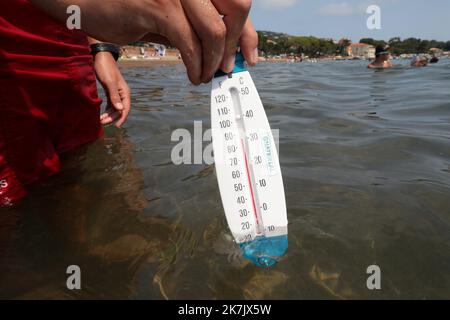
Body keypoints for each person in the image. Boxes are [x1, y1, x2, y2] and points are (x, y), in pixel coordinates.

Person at [0, 0, 258, 206]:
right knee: (13, 208)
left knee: (77, 180)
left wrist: (101, 49)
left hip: (72, 47)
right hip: (9, 50)